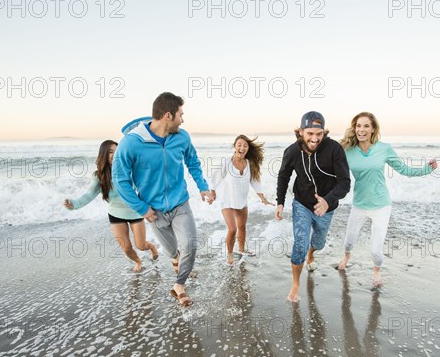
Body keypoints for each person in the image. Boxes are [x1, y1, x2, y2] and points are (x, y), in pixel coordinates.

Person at [112, 92, 214, 307]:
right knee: (172, 252)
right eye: (181, 115)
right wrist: (141, 208)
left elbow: (193, 163)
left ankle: (179, 286)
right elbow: (120, 179)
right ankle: (177, 263)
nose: (183, 120)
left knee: (190, 245)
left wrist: (203, 187)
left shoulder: (182, 137)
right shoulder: (131, 144)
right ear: (168, 115)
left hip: (180, 203)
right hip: (154, 211)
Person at [336, 112, 438, 286]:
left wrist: (427, 169)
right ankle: (346, 257)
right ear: (354, 128)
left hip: (381, 206)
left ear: (373, 128)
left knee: (376, 252)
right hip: (359, 204)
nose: (362, 130)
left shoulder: (384, 149)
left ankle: (376, 271)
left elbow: (404, 170)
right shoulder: (347, 151)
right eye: (358, 126)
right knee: (349, 241)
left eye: (366, 126)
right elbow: (330, 169)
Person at [275, 111, 351, 302]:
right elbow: (283, 176)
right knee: (299, 243)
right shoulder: (292, 151)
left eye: (319, 134)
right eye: (310, 133)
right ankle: (295, 284)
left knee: (318, 243)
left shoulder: (334, 149)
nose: (315, 139)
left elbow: (345, 183)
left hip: (327, 207)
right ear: (301, 131)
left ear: (324, 132)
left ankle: (312, 254)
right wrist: (280, 202)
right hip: (302, 203)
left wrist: (328, 200)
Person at [63, 140, 158, 272]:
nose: (114, 155)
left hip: (135, 212)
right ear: (103, 155)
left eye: (117, 151)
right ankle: (138, 261)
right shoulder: (99, 176)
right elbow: (88, 195)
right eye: (110, 152)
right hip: (115, 214)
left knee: (141, 246)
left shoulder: (129, 170)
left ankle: (152, 247)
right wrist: (74, 204)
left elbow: (143, 188)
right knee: (126, 248)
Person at [209, 135, 274, 265]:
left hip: (241, 201)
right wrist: (212, 193)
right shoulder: (226, 162)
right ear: (235, 147)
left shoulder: (249, 164)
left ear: (248, 149)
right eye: (239, 145)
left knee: (242, 227)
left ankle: (242, 249)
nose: (242, 148)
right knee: (232, 229)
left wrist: (263, 198)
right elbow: (215, 177)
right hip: (227, 201)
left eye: (245, 145)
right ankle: (230, 254)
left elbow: (255, 181)